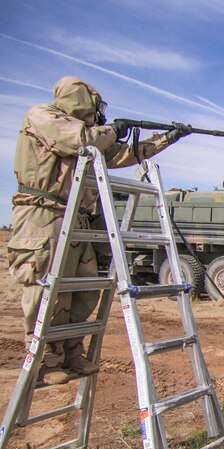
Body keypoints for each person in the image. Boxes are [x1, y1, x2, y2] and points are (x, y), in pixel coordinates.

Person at [8, 76, 191, 385]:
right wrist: (111, 130)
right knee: (49, 291)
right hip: (44, 215)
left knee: (85, 289)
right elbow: (80, 140)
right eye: (95, 108)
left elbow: (122, 154)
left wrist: (166, 139)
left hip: (76, 219)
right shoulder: (42, 115)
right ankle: (47, 361)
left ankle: (71, 352)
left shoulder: (93, 138)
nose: (99, 114)